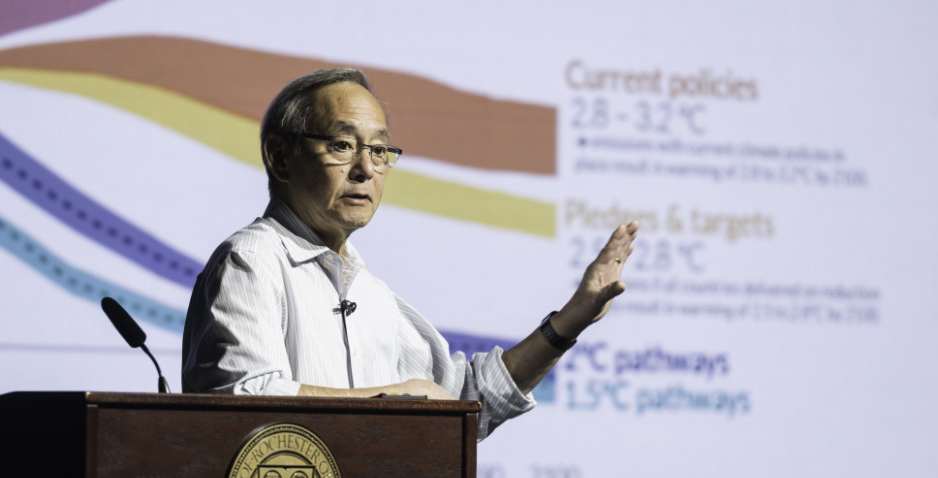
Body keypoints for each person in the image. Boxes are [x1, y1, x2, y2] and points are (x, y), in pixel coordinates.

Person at [182, 68, 638, 440]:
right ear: (280, 158)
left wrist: (571, 320)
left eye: (379, 151)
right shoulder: (251, 261)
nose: (365, 169)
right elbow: (241, 401)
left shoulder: (371, 294)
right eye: (343, 146)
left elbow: (464, 400)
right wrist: (395, 400)